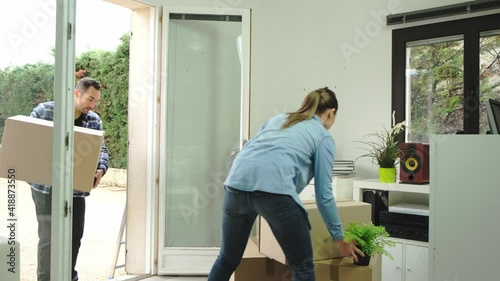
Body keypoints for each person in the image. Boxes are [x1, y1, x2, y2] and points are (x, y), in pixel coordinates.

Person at [208, 87, 363, 281]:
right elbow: (324, 195)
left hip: (236, 186)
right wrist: (339, 238)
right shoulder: (323, 137)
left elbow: (251, 150)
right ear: (331, 113)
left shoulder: (279, 119)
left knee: (227, 259)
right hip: (274, 194)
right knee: (303, 268)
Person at [30, 77, 109, 281]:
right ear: (76, 93)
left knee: (74, 238)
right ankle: (45, 279)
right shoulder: (44, 111)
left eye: (95, 101)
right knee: (48, 239)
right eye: (90, 99)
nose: (92, 106)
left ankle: (68, 277)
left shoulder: (93, 120)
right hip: (45, 188)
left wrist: (101, 168)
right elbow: (28, 142)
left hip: (76, 188)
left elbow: (102, 149)